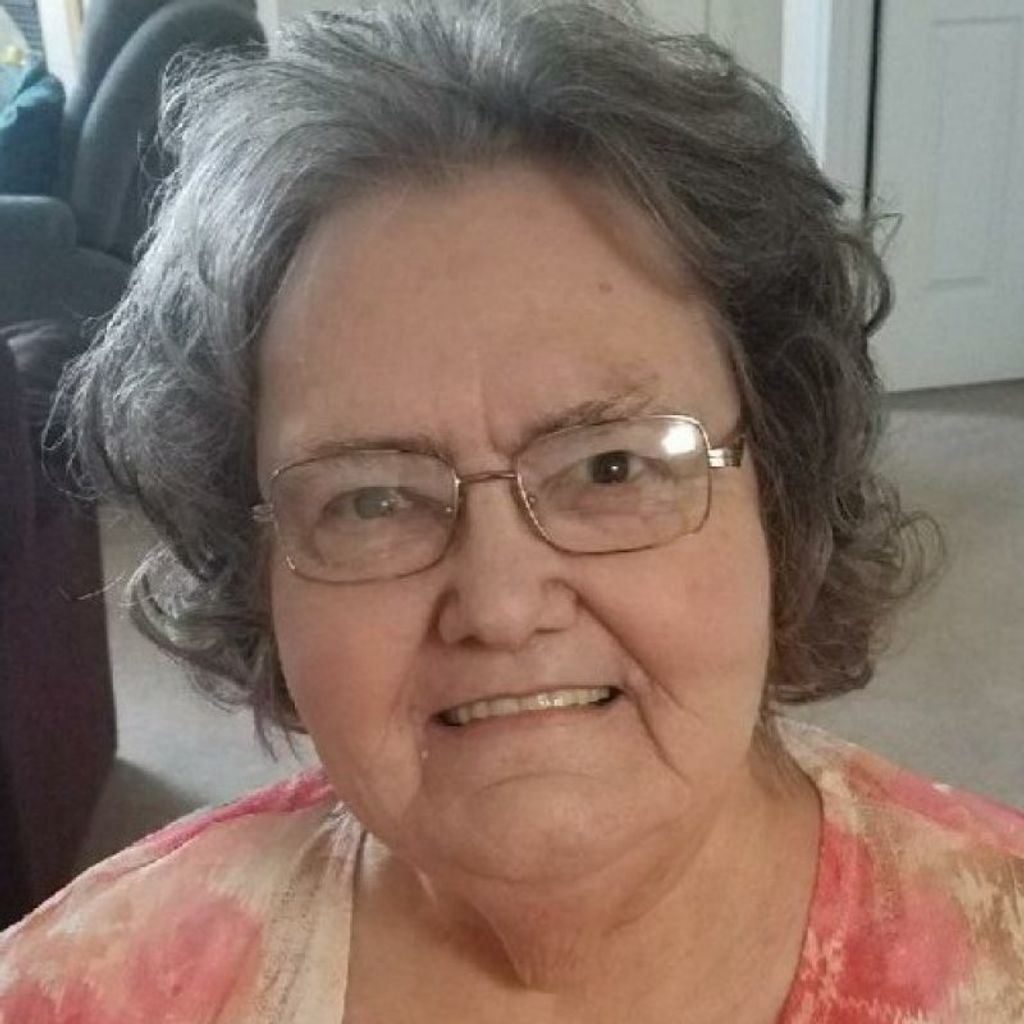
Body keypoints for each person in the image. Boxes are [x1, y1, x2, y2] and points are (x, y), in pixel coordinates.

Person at [1, 1, 1021, 1020]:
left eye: (611, 467)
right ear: (257, 578)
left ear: (778, 497)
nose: (500, 604)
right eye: (372, 499)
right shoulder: (74, 993)